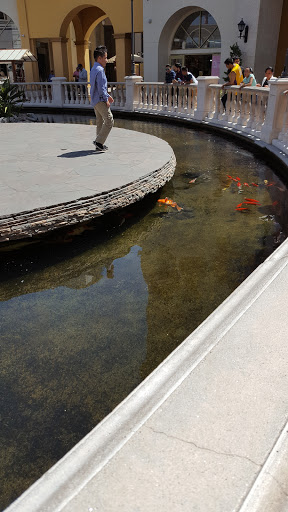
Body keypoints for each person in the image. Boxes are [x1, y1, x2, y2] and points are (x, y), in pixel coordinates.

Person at [90, 46, 114, 152]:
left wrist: (108, 96)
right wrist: (106, 99)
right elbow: (101, 88)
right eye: (105, 58)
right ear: (99, 58)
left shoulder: (94, 68)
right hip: (100, 100)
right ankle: (99, 142)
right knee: (109, 120)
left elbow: (97, 86)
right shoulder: (100, 70)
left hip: (95, 100)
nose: (106, 60)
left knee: (99, 122)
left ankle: (98, 145)